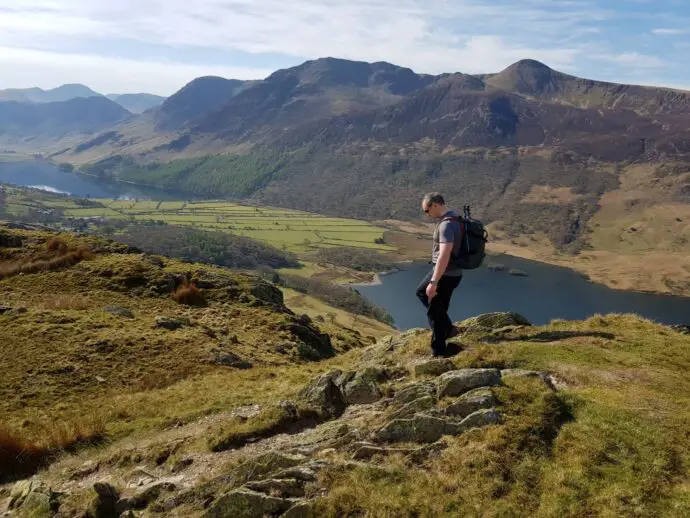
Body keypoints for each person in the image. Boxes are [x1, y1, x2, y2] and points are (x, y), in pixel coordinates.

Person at [415, 193, 463, 357]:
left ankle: (439, 351)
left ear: (435, 205)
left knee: (428, 300)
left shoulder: (446, 225)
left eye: (427, 210)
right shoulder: (456, 217)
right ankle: (448, 330)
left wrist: (434, 281)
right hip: (455, 273)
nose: (427, 215)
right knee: (439, 307)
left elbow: (444, 254)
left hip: (445, 272)